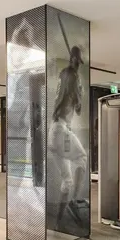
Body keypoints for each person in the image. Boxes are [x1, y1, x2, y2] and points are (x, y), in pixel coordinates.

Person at [49, 45, 89, 228]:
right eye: (78, 62)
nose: (78, 65)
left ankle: (58, 222)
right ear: (74, 60)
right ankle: (74, 200)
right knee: (82, 157)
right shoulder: (73, 77)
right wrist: (80, 92)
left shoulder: (63, 74)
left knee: (67, 181)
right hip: (61, 131)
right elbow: (78, 109)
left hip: (55, 132)